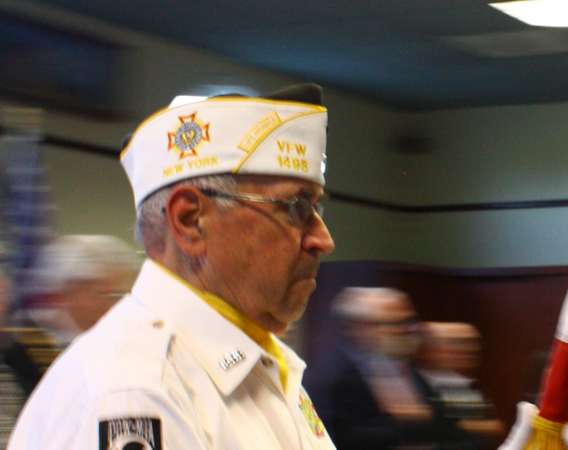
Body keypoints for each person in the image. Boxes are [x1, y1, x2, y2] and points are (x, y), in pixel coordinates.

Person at [7, 83, 337, 449]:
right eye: (296, 207)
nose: (322, 239)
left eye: (316, 209)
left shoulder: (251, 366)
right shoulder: (136, 390)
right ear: (191, 220)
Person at [306, 287, 448, 450]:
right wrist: (406, 424)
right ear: (362, 327)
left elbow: (443, 424)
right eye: (396, 323)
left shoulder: (413, 373)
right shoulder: (329, 377)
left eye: (409, 322)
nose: (406, 331)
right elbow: (333, 436)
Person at [3, 234, 139, 395]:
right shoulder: (24, 354)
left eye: (121, 296)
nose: (112, 306)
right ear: (68, 291)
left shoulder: (120, 347)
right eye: (103, 294)